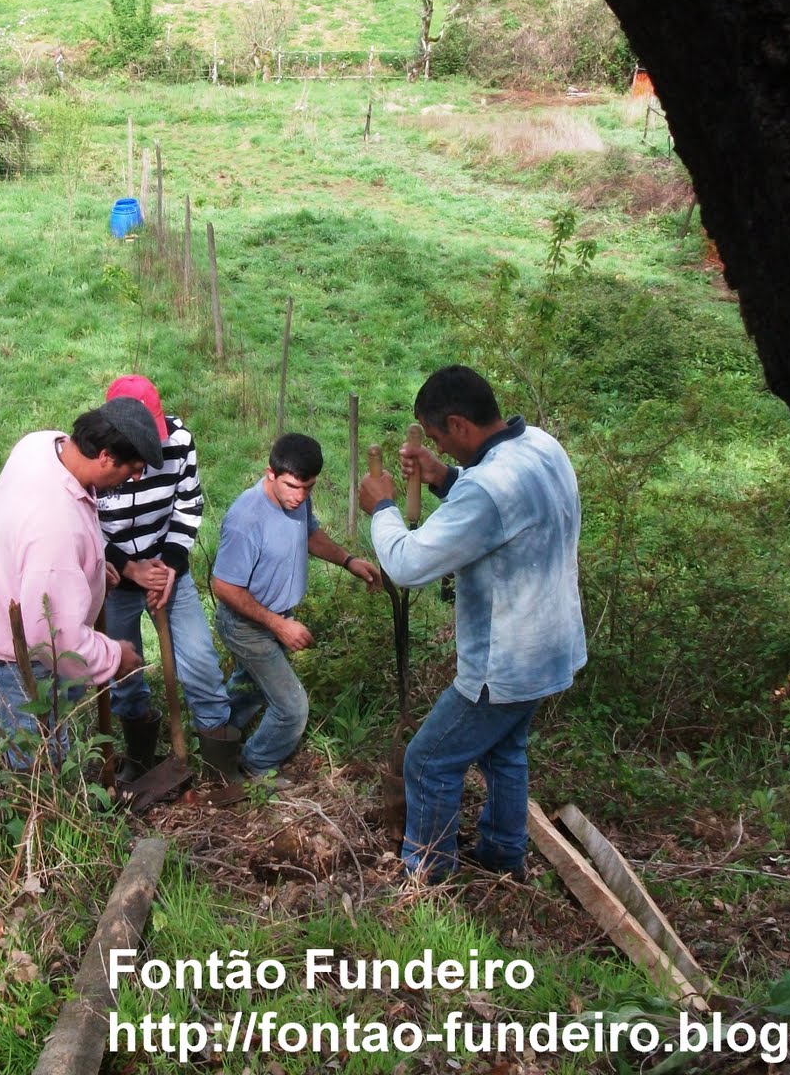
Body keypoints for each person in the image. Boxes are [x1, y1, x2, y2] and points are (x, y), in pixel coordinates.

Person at [358, 365, 585, 881]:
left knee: (428, 760)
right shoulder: (540, 446)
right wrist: (442, 476)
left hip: (504, 660)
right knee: (504, 752)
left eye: (438, 436)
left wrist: (381, 508)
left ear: (459, 424)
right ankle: (503, 856)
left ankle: (428, 875)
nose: (438, 445)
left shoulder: (487, 488)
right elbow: (502, 510)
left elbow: (409, 564)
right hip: (550, 647)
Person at [0, 398, 162, 772]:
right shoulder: (56, 525)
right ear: (105, 456)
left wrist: (91, 569)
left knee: (38, 702)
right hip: (11, 660)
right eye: (134, 469)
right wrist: (115, 657)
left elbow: (41, 556)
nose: (136, 479)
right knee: (44, 762)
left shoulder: (42, 446)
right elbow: (55, 642)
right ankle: (7, 792)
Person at [212, 433, 381, 779]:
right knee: (291, 708)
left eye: (308, 488)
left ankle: (215, 741)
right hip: (247, 625)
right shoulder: (246, 520)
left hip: (275, 618)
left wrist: (348, 560)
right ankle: (256, 766)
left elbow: (310, 534)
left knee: (251, 689)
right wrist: (279, 625)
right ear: (270, 473)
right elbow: (224, 586)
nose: (300, 496)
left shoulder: (297, 498)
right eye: (292, 486)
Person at [94, 375, 237, 782]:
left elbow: (188, 504)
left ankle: (219, 770)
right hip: (115, 578)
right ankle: (140, 762)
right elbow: (83, 526)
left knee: (202, 662)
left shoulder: (179, 441)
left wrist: (170, 565)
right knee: (123, 670)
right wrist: (127, 567)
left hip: (166, 568)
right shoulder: (94, 454)